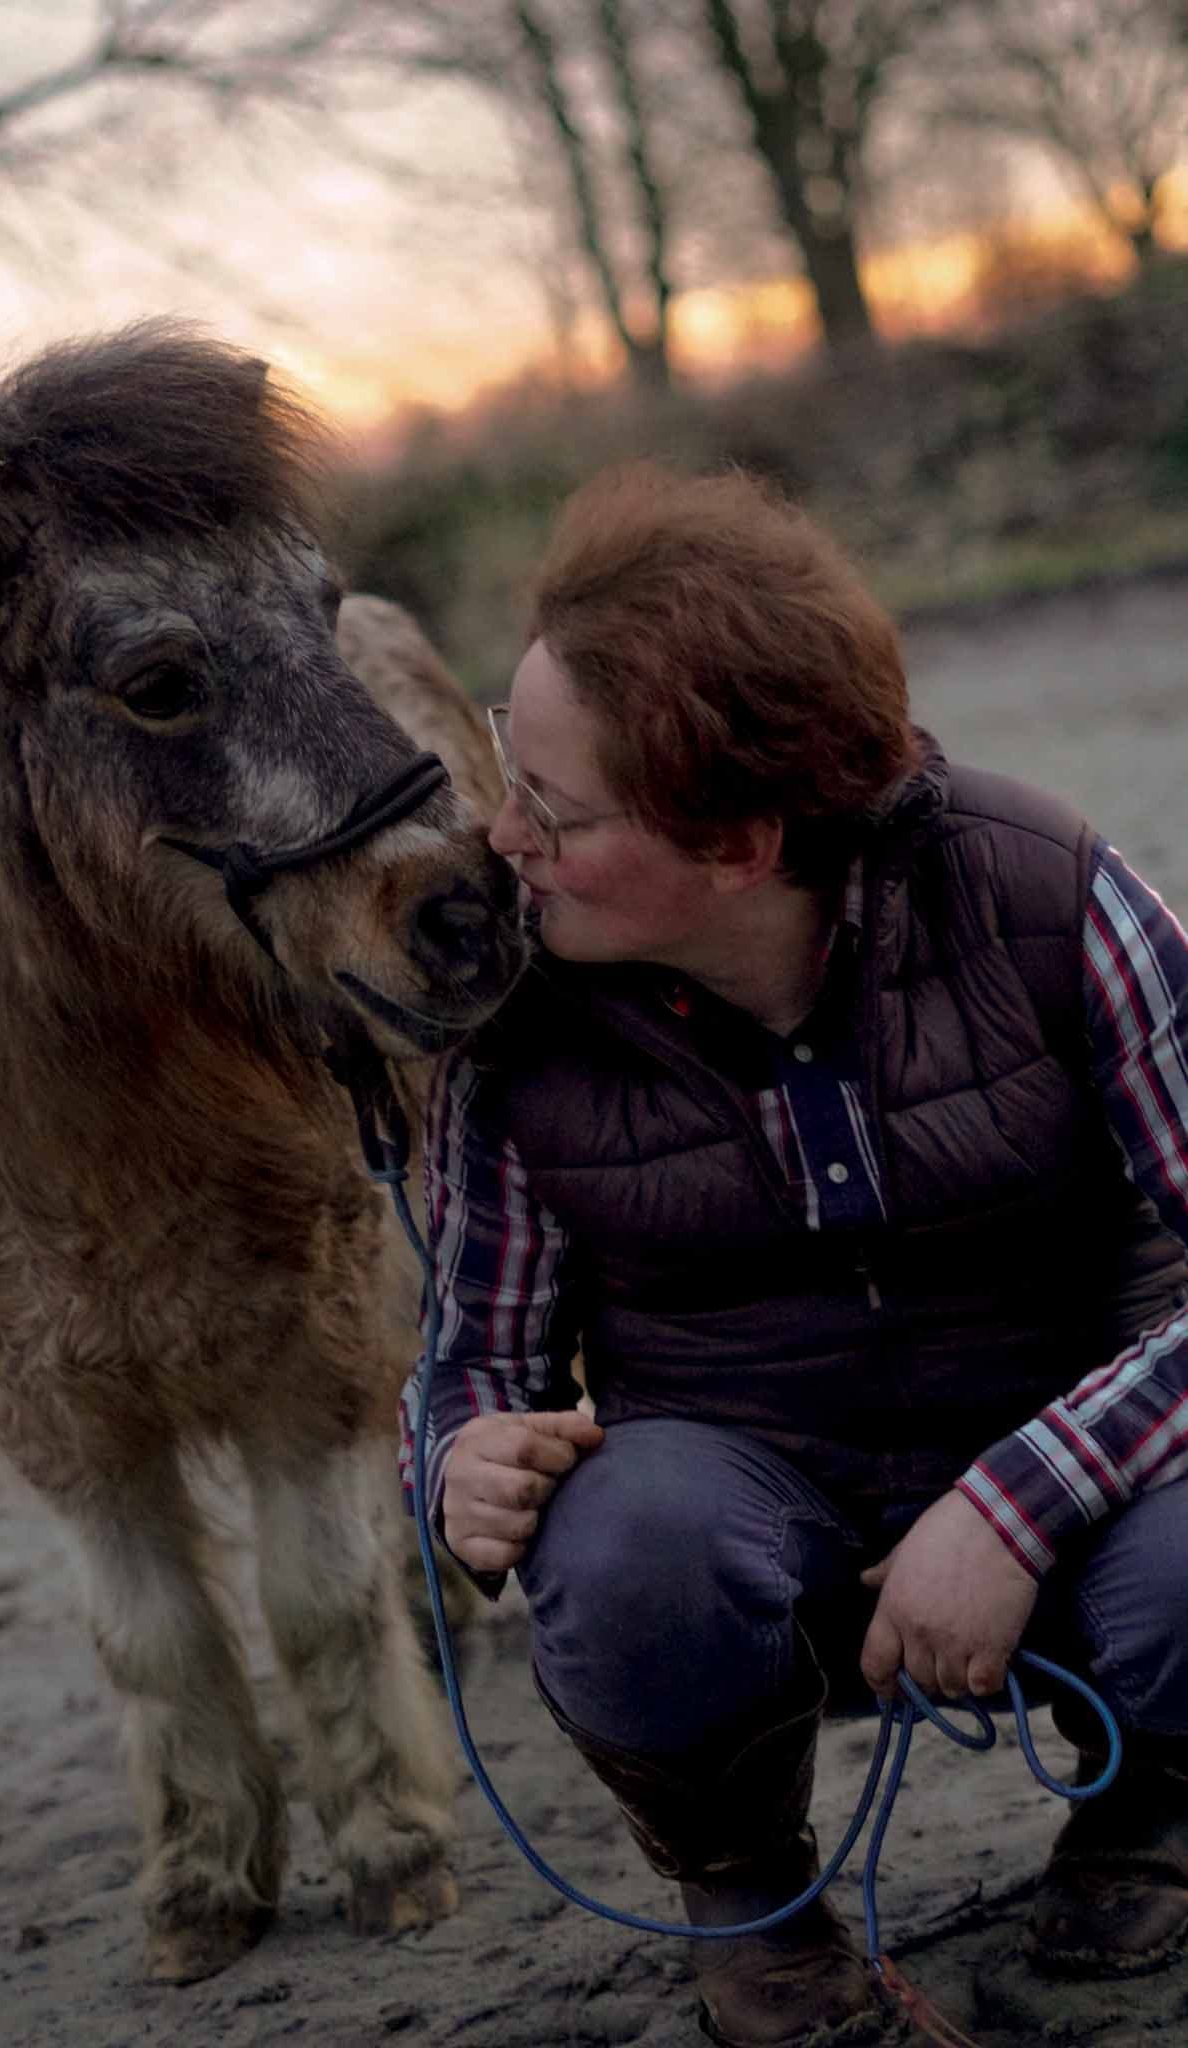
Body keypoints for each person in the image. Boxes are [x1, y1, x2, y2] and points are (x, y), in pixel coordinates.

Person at [398, 462, 1188, 2048]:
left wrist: (1015, 1499)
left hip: (1084, 1519)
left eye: (552, 809)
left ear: (742, 840)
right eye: (507, 769)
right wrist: (454, 1459)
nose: (502, 836)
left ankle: (1154, 1811)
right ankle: (749, 1900)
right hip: (740, 1534)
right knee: (623, 1549)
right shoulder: (515, 1028)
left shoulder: (1055, 896)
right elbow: (469, 1365)